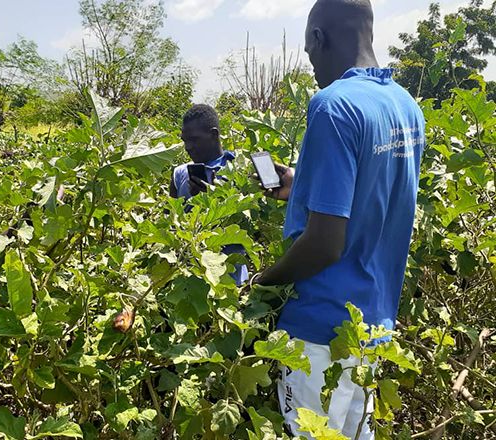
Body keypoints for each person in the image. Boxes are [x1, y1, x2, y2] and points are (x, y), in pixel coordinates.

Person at [252, 0, 426, 438]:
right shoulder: (406, 107)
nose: (311, 65)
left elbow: (325, 244)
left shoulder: (333, 106)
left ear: (317, 38)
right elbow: (374, 193)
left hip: (319, 333)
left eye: (309, 53)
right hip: (370, 329)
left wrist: (262, 283)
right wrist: (300, 181)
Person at [170, 104, 249, 286]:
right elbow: (171, 223)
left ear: (214, 135)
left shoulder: (239, 169)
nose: (188, 147)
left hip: (231, 282)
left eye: (194, 139)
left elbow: (250, 224)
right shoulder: (179, 174)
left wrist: (211, 199)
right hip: (187, 276)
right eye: (185, 140)